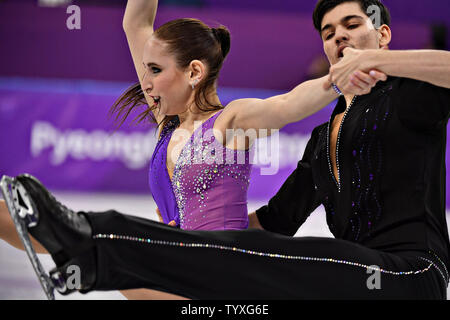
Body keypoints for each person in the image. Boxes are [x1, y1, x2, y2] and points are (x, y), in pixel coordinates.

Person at [2, 0, 450, 299]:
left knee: (303, 259)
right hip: (354, 278)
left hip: (412, 274)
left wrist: (374, 62)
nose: (339, 37)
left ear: (384, 35)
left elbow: (289, 104)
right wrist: (192, 247)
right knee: (273, 258)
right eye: (329, 31)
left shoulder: (413, 96)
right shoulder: (322, 141)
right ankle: (80, 243)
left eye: (353, 25)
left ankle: (89, 239)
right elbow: (276, 222)